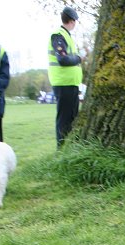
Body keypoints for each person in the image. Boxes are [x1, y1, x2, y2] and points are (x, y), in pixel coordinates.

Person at [48, 6, 83, 148]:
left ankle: (69, 148)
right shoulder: (58, 35)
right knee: (64, 119)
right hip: (63, 84)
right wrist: (79, 58)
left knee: (72, 118)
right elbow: (62, 59)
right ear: (72, 21)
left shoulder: (66, 36)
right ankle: (61, 149)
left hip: (71, 84)